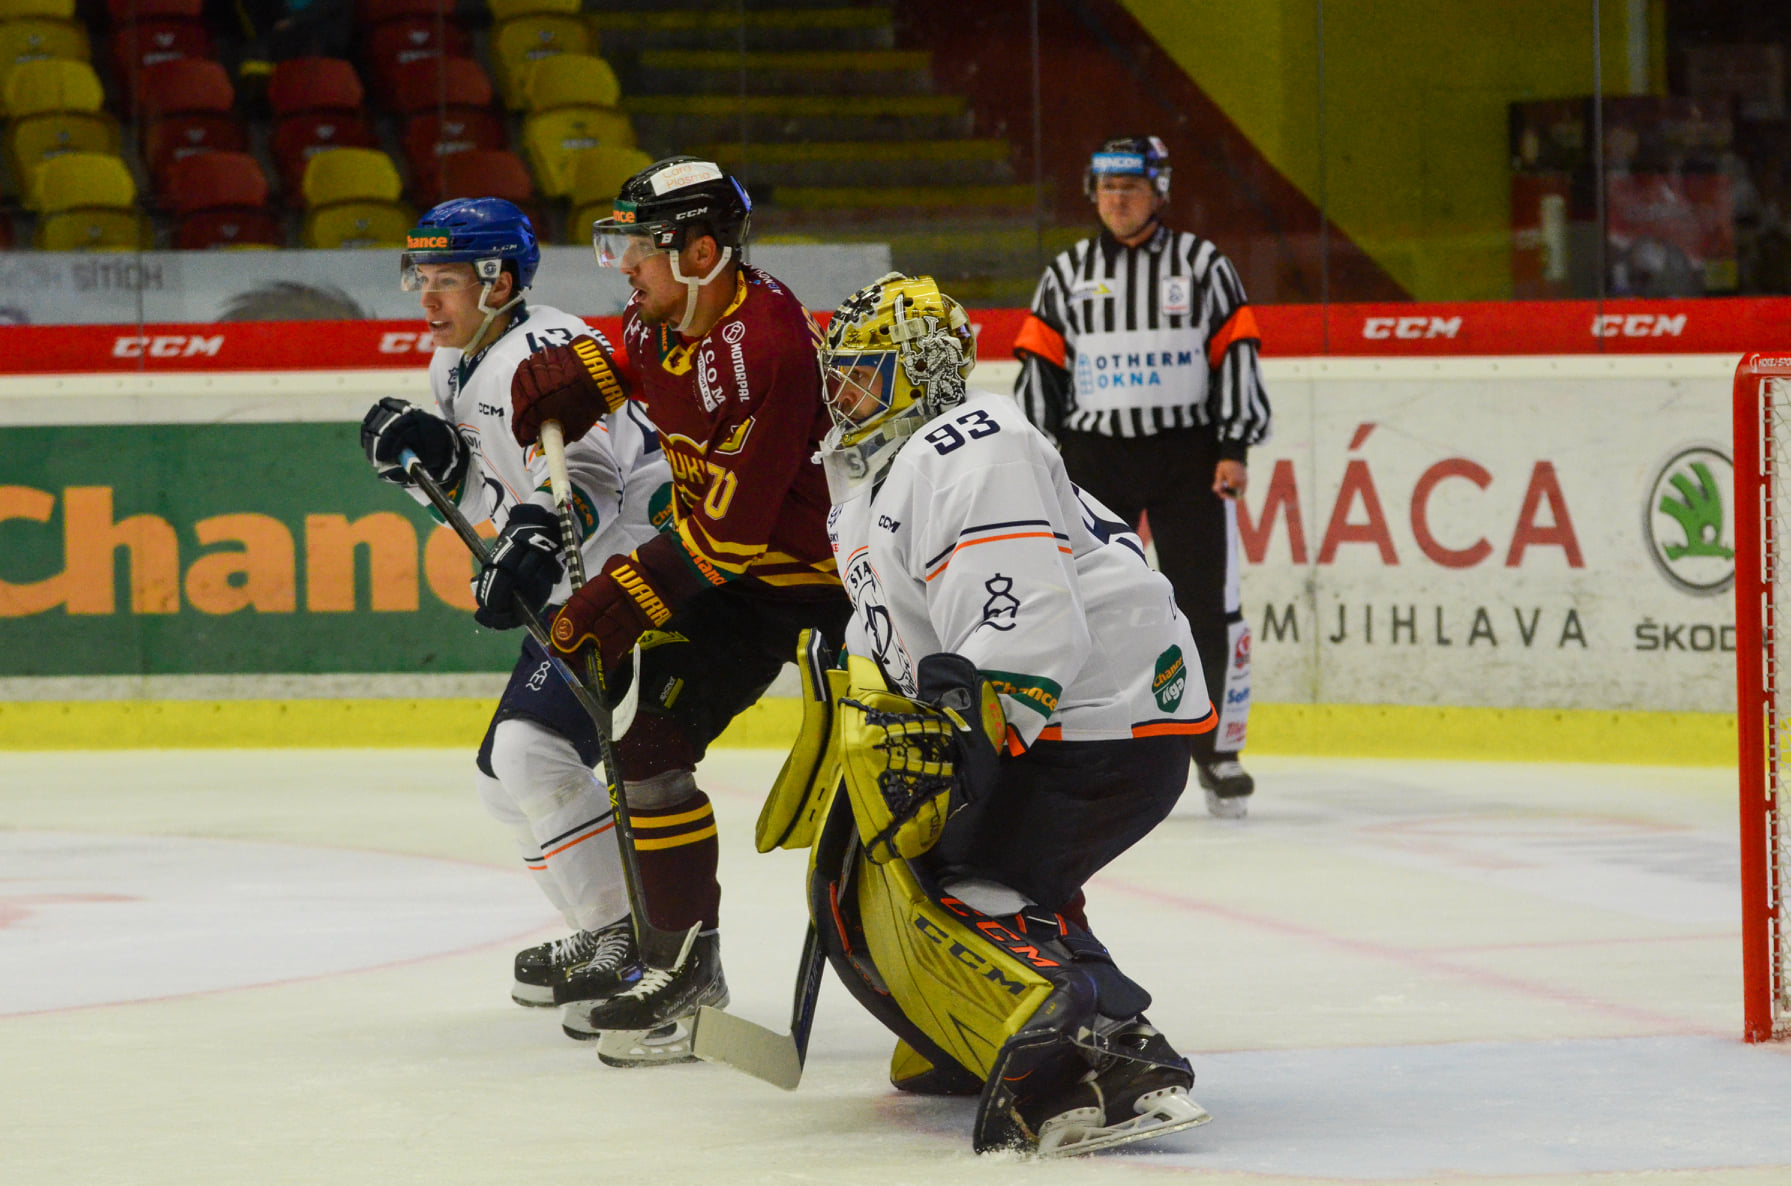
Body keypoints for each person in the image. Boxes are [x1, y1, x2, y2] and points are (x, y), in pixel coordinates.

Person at [800, 272, 1214, 1155]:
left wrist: (969, 737)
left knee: (969, 882)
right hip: (1075, 716)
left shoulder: (968, 443)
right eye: (836, 372)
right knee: (953, 875)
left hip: (1097, 718)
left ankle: (1103, 1060)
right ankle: (979, 1027)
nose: (841, 393)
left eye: (864, 372)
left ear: (925, 374)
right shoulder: (874, 475)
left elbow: (1021, 616)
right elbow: (899, 627)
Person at [505, 156, 851, 1064]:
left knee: (898, 781)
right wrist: (579, 381)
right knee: (648, 752)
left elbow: (731, 535)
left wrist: (614, 599)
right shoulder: (667, 311)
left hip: (836, 585)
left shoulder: (769, 348)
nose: (622, 265)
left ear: (702, 253)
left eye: (639, 248)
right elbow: (628, 362)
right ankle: (684, 966)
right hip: (739, 575)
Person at [357, 198, 672, 1024]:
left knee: (532, 756)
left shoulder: (543, 350)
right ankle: (603, 934)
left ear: (497, 281)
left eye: (446, 281)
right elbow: (503, 489)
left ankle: (626, 941)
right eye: (419, 278)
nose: (426, 300)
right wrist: (436, 469)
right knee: (506, 779)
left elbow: (591, 481)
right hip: (585, 586)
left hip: (635, 589)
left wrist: (534, 541)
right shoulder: (457, 363)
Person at [1013, 135, 1271, 818]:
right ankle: (1085, 737)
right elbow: (1040, 370)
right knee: (1087, 602)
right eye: (1105, 186)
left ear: (1157, 190)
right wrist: (1042, 455)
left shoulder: (1203, 265)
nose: (1116, 198)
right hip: (1095, 459)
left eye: (1129, 186)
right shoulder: (1066, 272)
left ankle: (1216, 750)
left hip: (1189, 456)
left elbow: (1234, 354)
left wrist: (1233, 445)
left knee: (1204, 605)